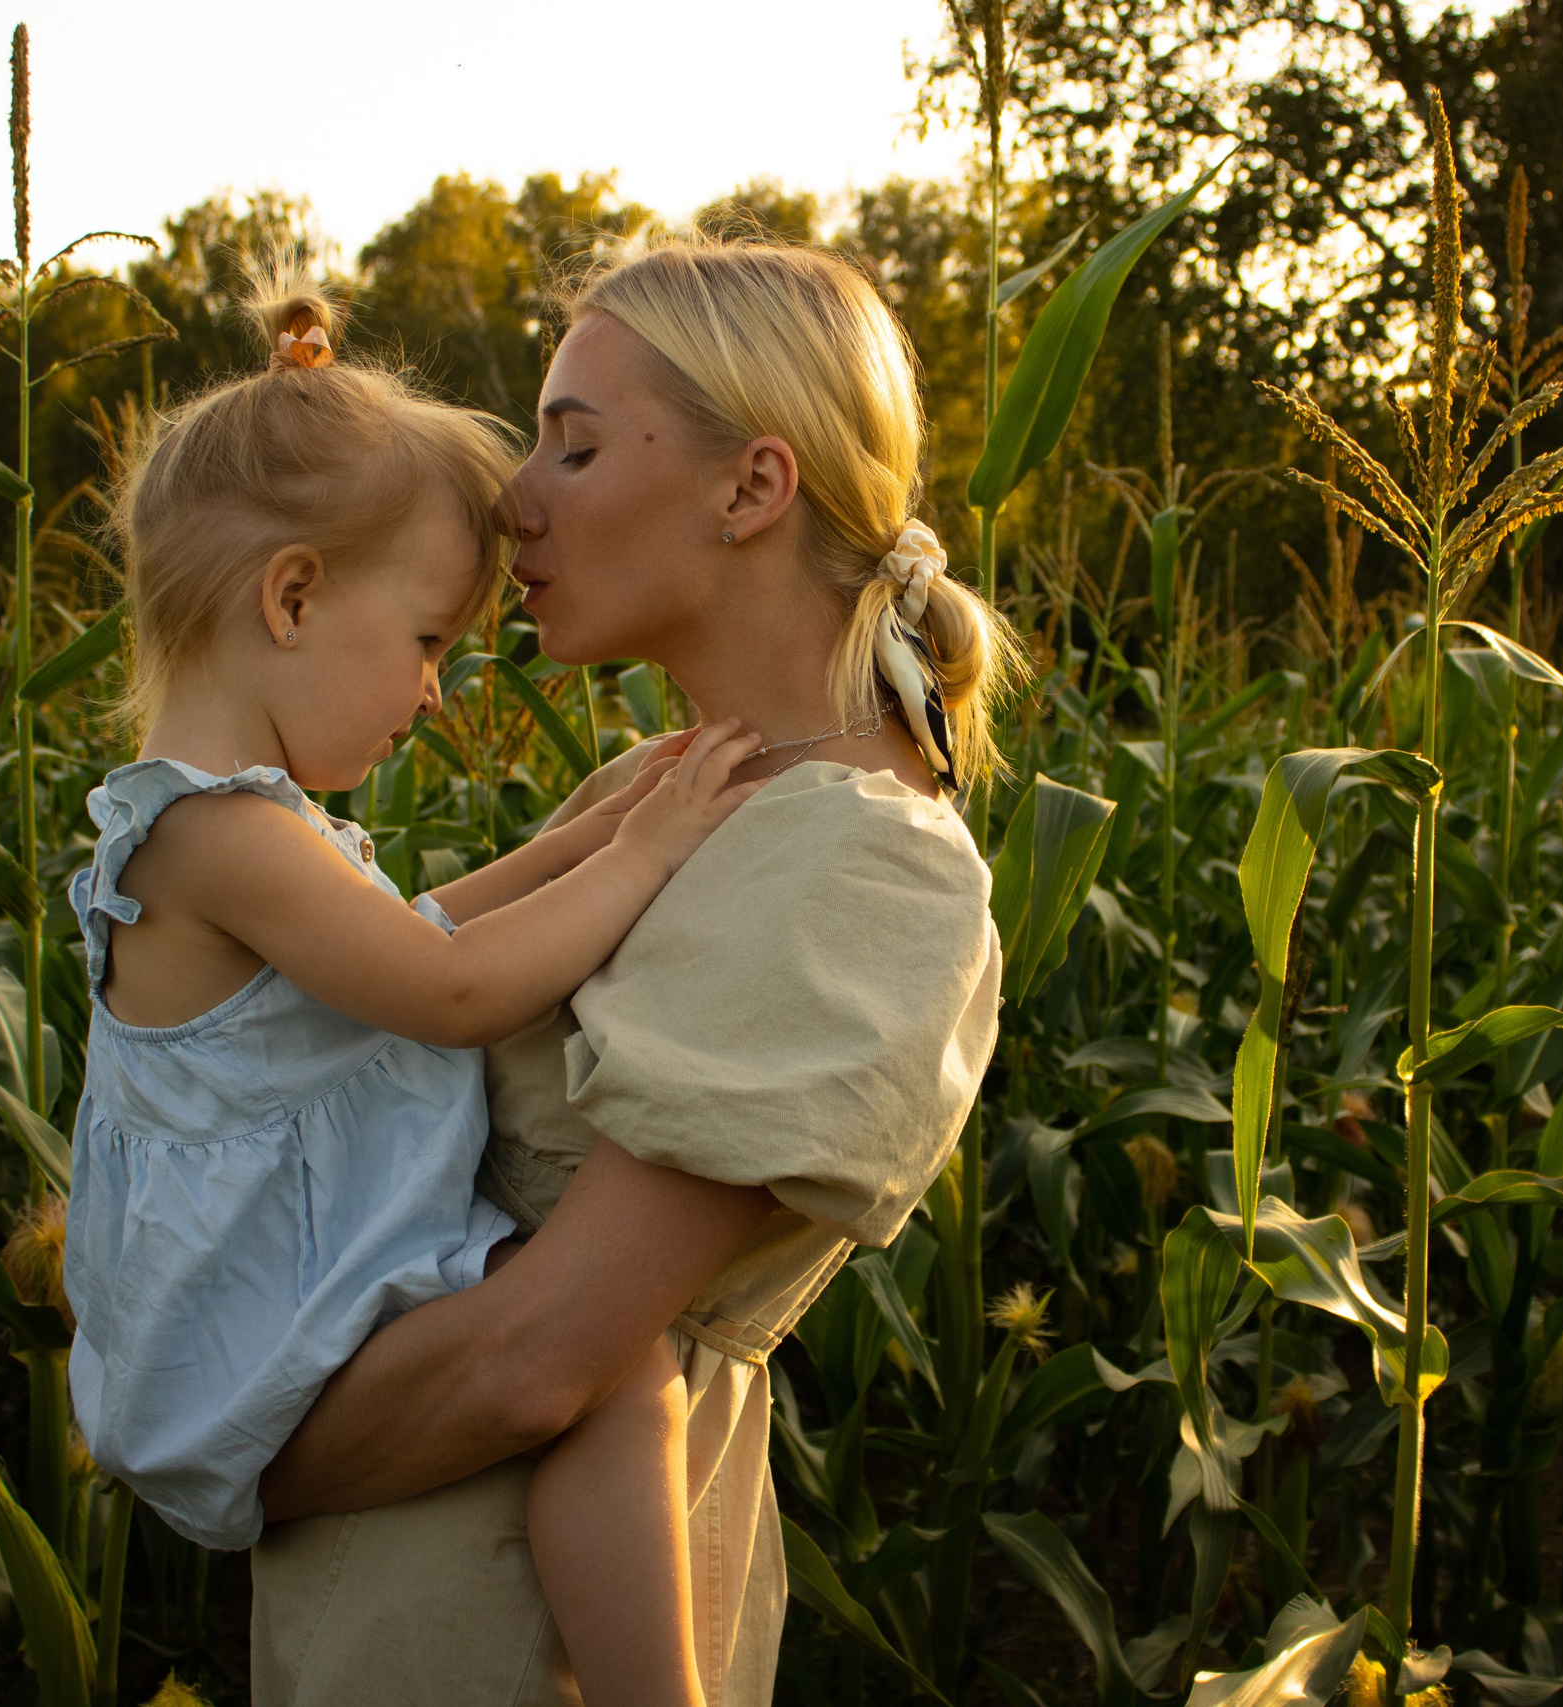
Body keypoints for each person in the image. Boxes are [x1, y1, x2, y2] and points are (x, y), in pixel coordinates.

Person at [248, 235, 1013, 1707]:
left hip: (529, 1637)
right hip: (390, 1601)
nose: (512, 498)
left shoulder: (863, 864)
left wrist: (220, 1453)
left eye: (575, 446)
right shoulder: (663, 789)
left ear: (753, 488)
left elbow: (537, 1361)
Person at [61, 273, 759, 1707]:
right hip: (262, 1317)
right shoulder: (218, 836)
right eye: (429, 639)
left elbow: (411, 929)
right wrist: (646, 853)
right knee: (619, 1377)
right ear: (294, 598)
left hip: (303, 1280)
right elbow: (445, 987)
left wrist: (585, 837)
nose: (436, 691)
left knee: (611, 1384)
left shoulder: (242, 831)